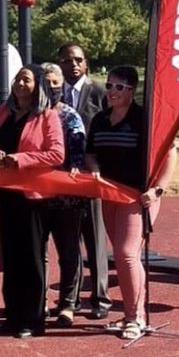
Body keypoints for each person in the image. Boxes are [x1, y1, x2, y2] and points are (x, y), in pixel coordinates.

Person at [84, 65, 177, 341]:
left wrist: (158, 189)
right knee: (125, 256)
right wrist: (94, 168)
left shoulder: (143, 119)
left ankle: (135, 317)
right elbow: (91, 154)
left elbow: (171, 152)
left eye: (119, 87)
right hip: (110, 193)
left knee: (126, 254)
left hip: (139, 195)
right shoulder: (100, 120)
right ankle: (129, 313)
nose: (112, 91)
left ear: (132, 90)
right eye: (110, 85)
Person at [0, 64, 64, 338]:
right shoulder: (3, 112)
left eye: (26, 79)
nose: (20, 84)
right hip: (6, 194)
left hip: (34, 197)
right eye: (17, 79)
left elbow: (57, 154)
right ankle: (13, 314)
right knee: (10, 257)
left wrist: (21, 160)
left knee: (31, 257)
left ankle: (32, 319)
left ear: (38, 86)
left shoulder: (47, 117)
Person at [57, 42, 111, 318]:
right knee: (69, 240)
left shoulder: (100, 92)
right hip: (61, 178)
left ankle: (100, 299)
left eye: (78, 59)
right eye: (67, 60)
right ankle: (71, 297)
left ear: (86, 63)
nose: (73, 65)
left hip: (92, 175)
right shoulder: (54, 94)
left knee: (94, 238)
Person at [40, 62, 88, 328]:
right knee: (39, 252)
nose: (50, 87)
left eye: (55, 83)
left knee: (68, 250)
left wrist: (74, 169)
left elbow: (78, 153)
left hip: (67, 196)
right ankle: (40, 300)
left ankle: (68, 303)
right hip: (37, 195)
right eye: (45, 82)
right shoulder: (32, 115)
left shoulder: (70, 116)